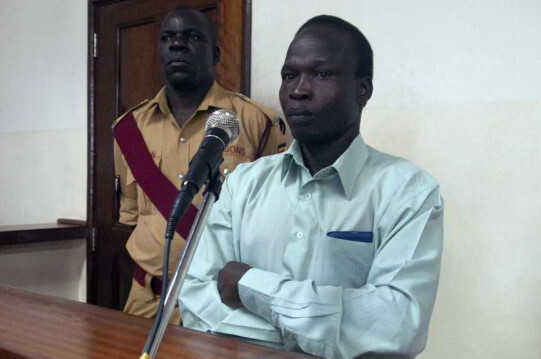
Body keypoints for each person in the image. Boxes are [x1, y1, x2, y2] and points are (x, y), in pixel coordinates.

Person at [178, 15, 443, 358]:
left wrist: (249, 286)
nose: (298, 90)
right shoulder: (243, 183)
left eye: (322, 74)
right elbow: (196, 297)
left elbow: (396, 323)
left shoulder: (408, 191)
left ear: (363, 89)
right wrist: (304, 336)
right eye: (290, 75)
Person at [113, 6, 286, 320]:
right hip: (146, 301)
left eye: (192, 37)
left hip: (222, 305)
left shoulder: (255, 122)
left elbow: (275, 220)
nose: (177, 44)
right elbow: (131, 218)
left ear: (216, 54)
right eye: (168, 38)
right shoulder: (128, 129)